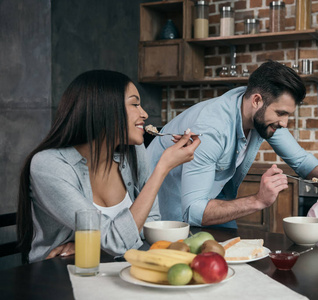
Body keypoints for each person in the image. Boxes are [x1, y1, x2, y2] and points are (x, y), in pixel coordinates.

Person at [17, 70, 200, 263]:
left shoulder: (133, 154)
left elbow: (149, 223)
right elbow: (117, 243)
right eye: (135, 104)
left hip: (111, 268)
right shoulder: (49, 165)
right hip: (55, 278)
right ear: (105, 109)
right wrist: (162, 168)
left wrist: (93, 243)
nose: (144, 113)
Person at [146, 60, 318, 228]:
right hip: (167, 210)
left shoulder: (258, 114)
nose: (284, 123)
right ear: (257, 100)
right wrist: (258, 200)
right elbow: (192, 212)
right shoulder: (211, 130)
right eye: (281, 113)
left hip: (209, 198)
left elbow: (302, 161)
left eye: (288, 114)